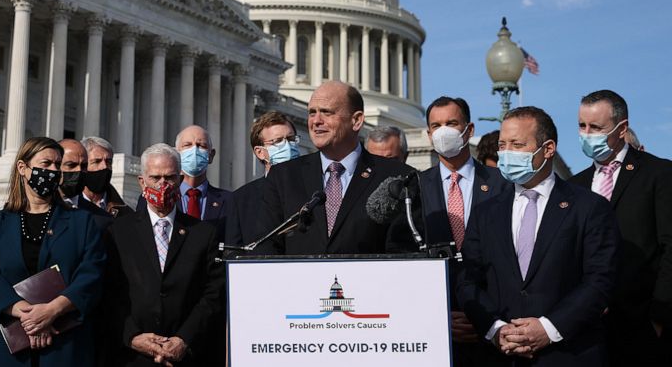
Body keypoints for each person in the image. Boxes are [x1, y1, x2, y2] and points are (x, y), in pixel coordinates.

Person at [457, 106, 620, 366]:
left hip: (569, 354)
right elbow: (468, 281)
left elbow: (599, 280)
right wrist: (496, 329)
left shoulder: (589, 207)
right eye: (503, 144)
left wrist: (548, 328)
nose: (506, 153)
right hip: (502, 355)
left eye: (517, 144)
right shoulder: (485, 212)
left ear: (548, 149)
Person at [0, 137, 106, 367]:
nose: (53, 171)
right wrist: (25, 314)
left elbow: (91, 273)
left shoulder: (81, 223)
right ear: (23, 168)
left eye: (57, 165)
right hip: (7, 347)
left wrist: (52, 310)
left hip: (64, 344)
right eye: (46, 164)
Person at [570, 90, 672, 365]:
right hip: (586, 332)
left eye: (596, 127)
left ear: (621, 128)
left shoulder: (658, 174)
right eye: (582, 126)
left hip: (642, 328)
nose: (587, 133)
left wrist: (659, 318)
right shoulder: (573, 187)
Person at [259, 80, 414, 255]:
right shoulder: (283, 177)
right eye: (312, 113)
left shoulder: (396, 178)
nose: (316, 121)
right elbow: (266, 248)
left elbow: (403, 252)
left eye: (326, 112)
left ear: (356, 120)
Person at [105, 144, 224, 366]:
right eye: (155, 178)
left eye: (169, 178)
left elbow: (213, 293)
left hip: (186, 355)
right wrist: (132, 336)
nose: (162, 185)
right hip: (133, 356)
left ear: (179, 180)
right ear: (142, 181)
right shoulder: (118, 231)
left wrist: (184, 339)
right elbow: (110, 292)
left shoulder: (203, 233)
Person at [417, 97, 507, 366]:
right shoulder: (415, 189)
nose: (444, 131)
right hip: (435, 329)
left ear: (469, 130)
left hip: (494, 327)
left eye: (451, 123)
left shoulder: (503, 185)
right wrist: (442, 313)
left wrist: (485, 316)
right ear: (429, 134)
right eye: (437, 125)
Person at [135, 126, 230, 234]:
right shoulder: (153, 197)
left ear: (211, 155)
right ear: (176, 153)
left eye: (201, 146)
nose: (194, 151)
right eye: (187, 145)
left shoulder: (229, 201)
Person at [224, 111, 300, 248]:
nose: (288, 147)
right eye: (277, 141)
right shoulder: (241, 199)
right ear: (260, 152)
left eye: (291, 139)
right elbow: (234, 250)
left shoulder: (315, 190)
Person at [80, 136, 133, 217]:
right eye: (97, 161)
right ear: (83, 165)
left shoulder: (126, 214)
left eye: (108, 162)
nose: (104, 167)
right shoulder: (67, 206)